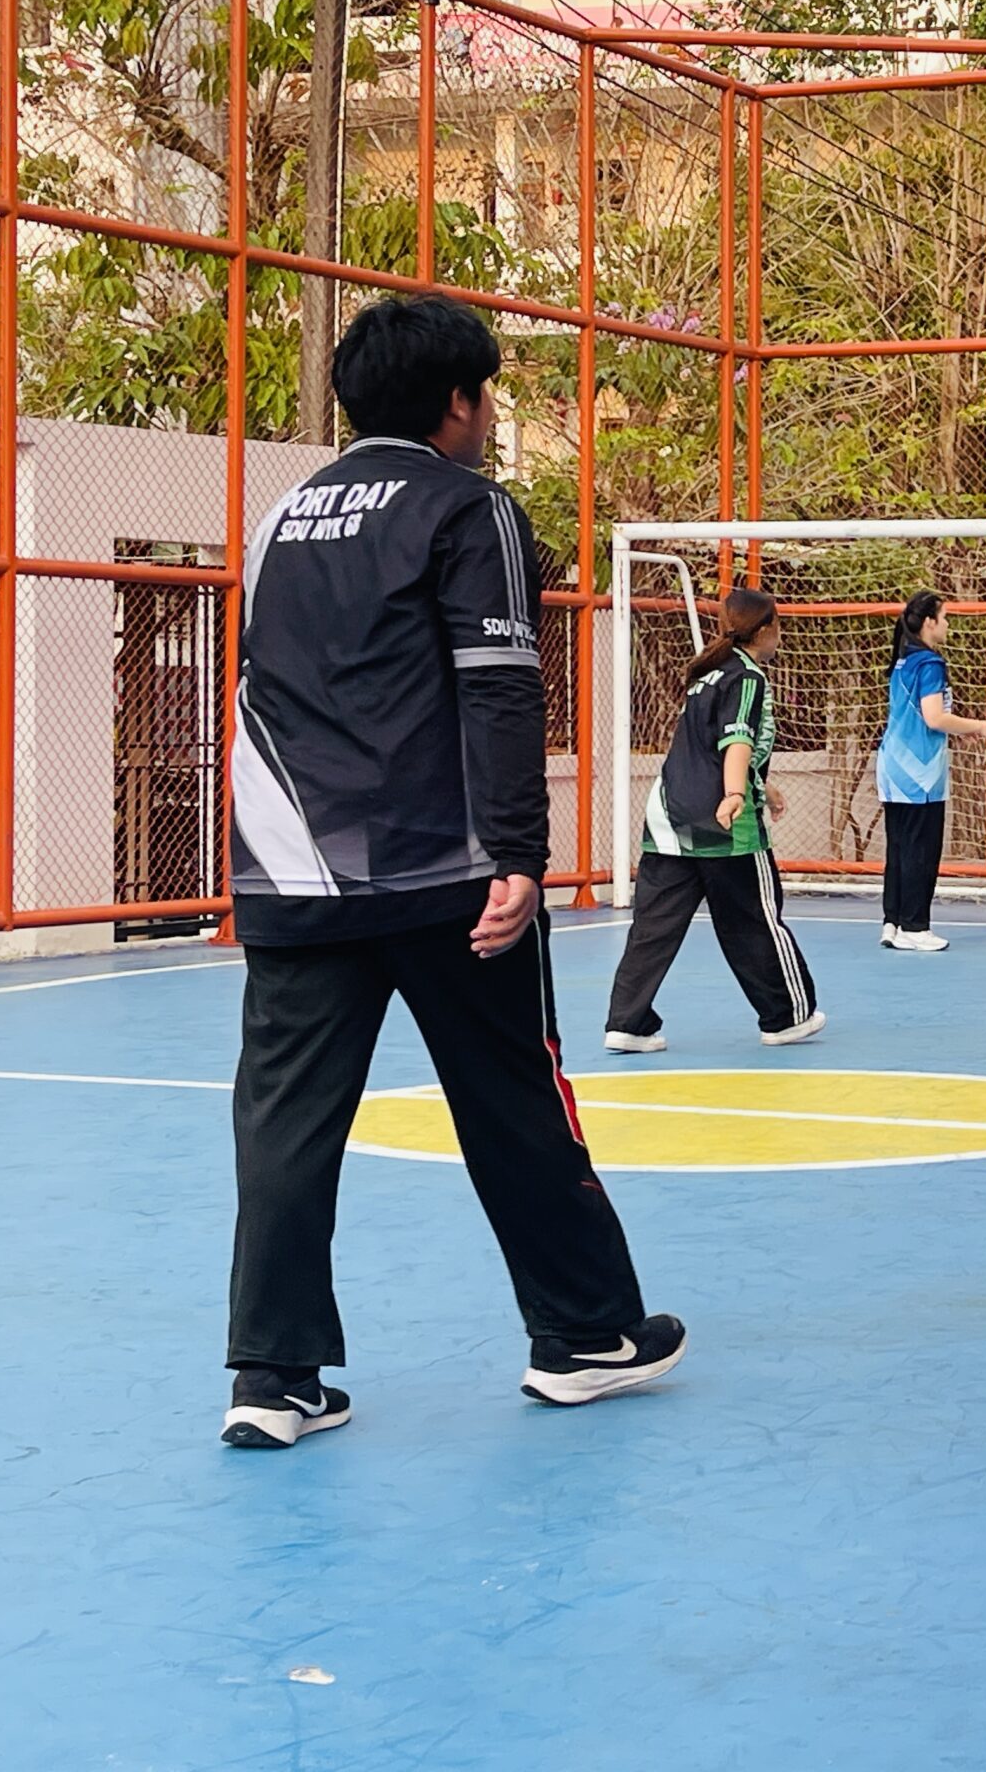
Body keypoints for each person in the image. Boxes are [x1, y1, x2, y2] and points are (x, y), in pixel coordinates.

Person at [223, 295, 682, 1450]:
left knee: (283, 1127)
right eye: (486, 396)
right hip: (447, 877)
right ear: (457, 402)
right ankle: (583, 1336)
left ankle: (272, 1379)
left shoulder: (276, 522)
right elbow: (500, 688)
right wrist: (518, 856)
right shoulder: (470, 509)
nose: (486, 416)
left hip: (291, 874)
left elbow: (261, 692)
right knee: (512, 1098)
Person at [603, 587, 824, 1053]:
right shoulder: (746, 677)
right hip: (723, 825)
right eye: (778, 625)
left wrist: (761, 787)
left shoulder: (707, 674)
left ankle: (627, 1023)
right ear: (764, 630)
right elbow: (735, 740)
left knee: (653, 928)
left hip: (668, 817)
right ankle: (788, 1016)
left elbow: (703, 750)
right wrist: (735, 794)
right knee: (755, 919)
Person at [875, 590, 986, 952]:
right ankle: (916, 927)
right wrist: (979, 726)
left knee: (899, 848)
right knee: (921, 849)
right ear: (929, 622)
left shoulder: (903, 661)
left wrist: (958, 730)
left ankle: (893, 922)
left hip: (893, 766)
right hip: (919, 773)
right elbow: (934, 717)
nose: (947, 624)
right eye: (944, 617)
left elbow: (922, 717)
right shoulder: (930, 663)